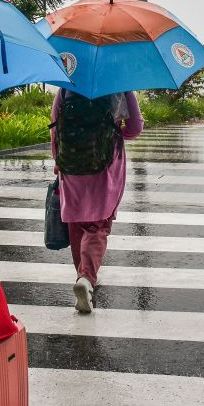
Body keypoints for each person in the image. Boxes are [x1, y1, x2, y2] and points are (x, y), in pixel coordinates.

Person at [51, 89, 144, 313]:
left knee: (76, 224)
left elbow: (56, 127)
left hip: (71, 165)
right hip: (105, 166)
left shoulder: (66, 88)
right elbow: (135, 128)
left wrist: (58, 160)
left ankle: (81, 276)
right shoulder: (120, 85)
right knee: (97, 226)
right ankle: (86, 278)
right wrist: (114, 131)